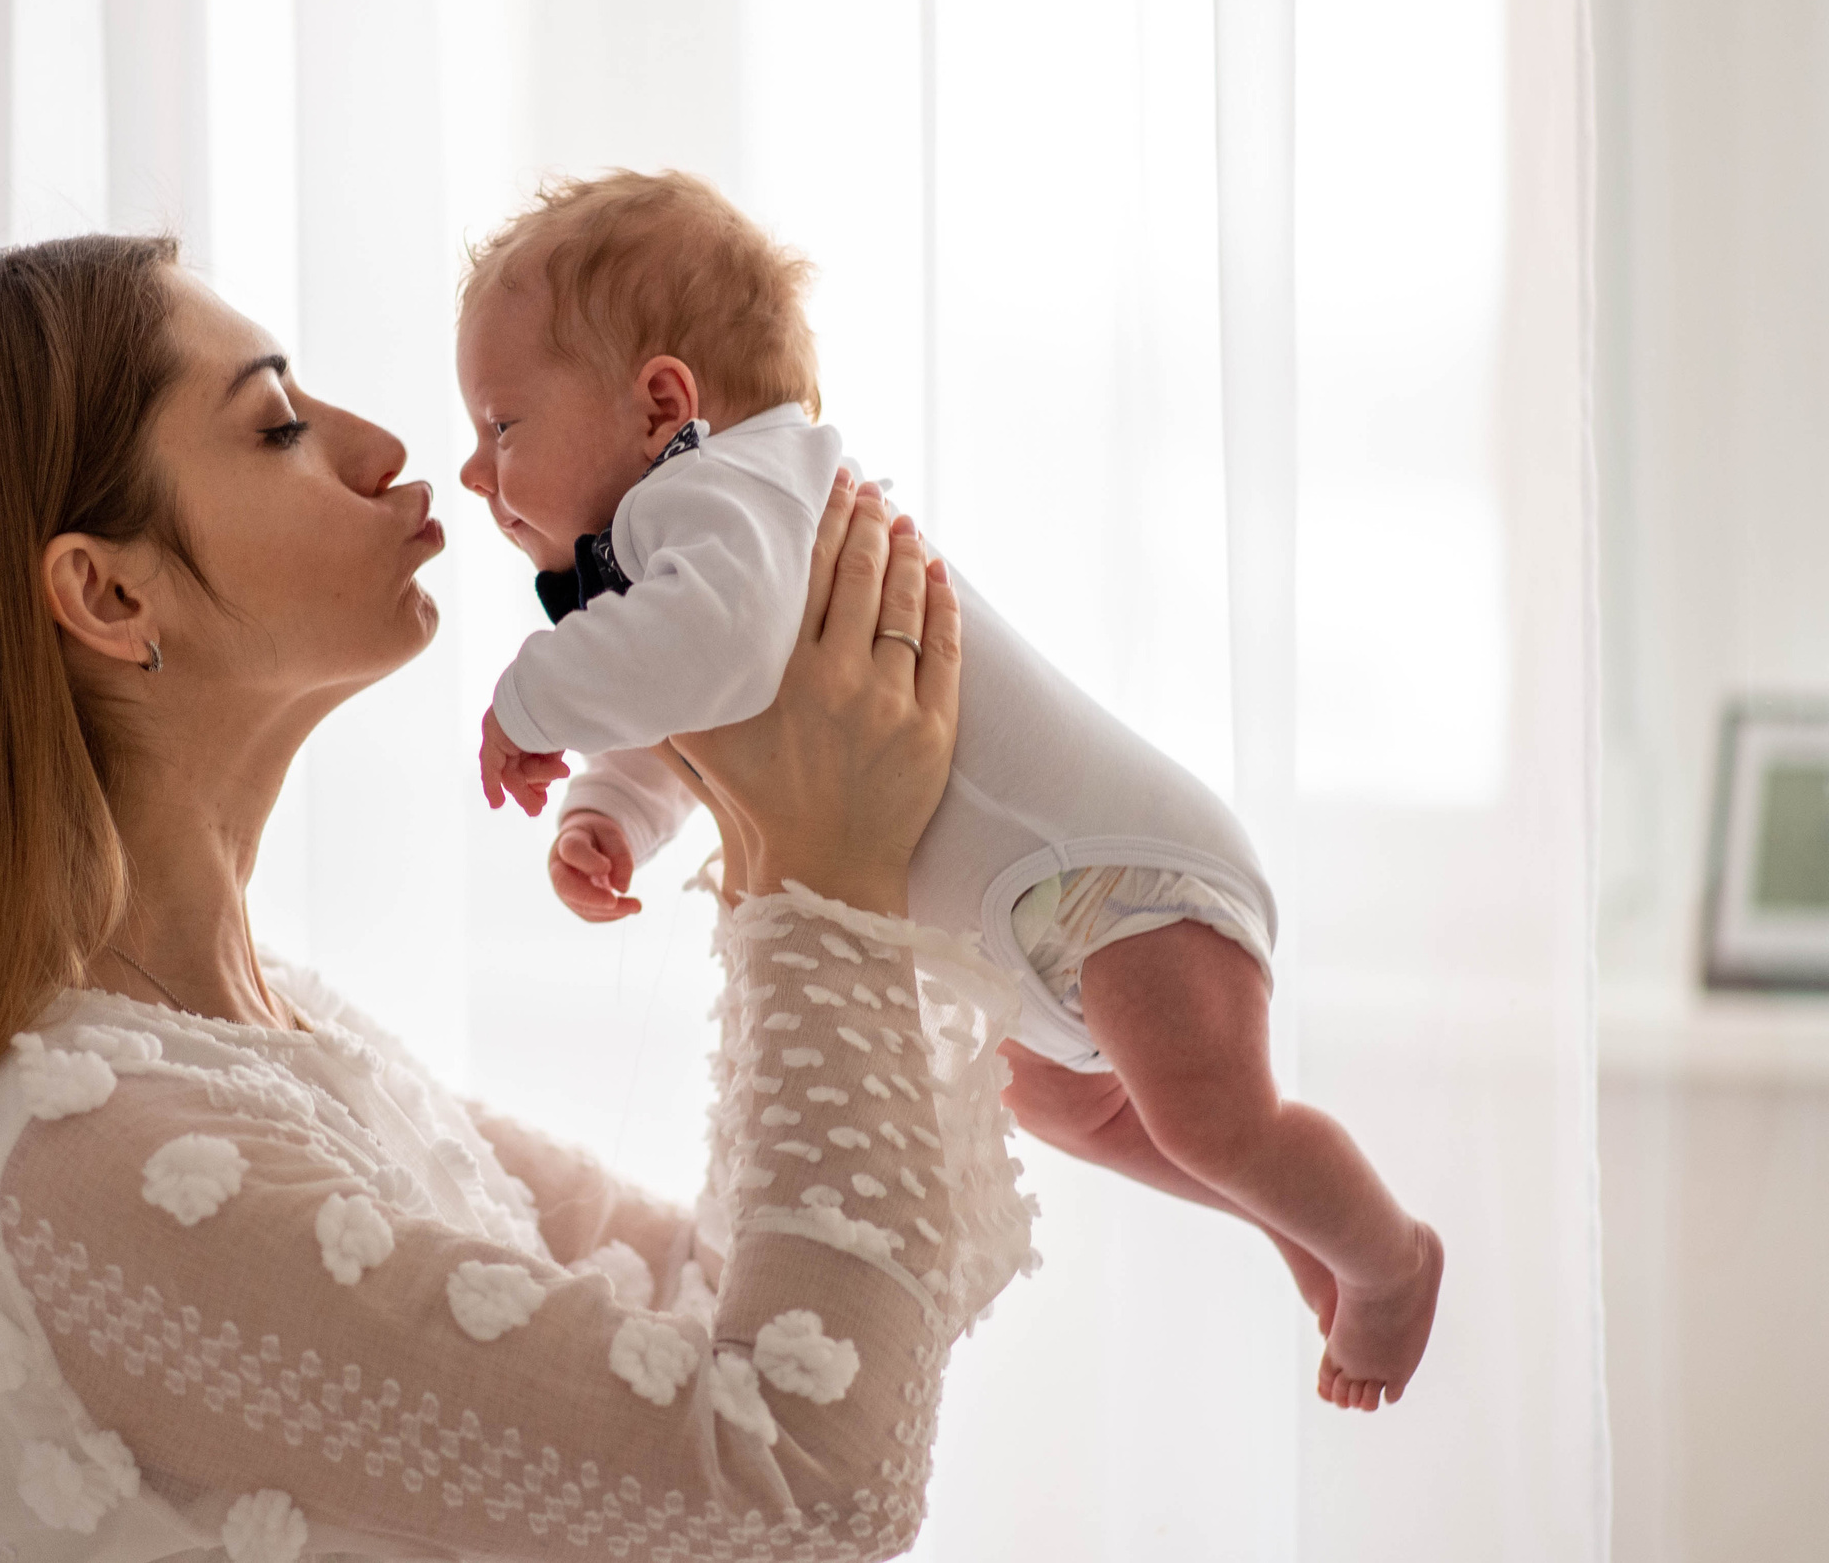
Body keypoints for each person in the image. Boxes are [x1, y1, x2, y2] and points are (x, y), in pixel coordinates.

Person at [0, 233, 1035, 1563]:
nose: (387, 451)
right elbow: (799, 1478)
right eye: (278, 426)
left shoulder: (264, 1034)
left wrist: (787, 825)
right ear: (108, 590)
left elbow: (713, 1306)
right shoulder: (92, 1162)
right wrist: (825, 883)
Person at [459, 170, 1443, 1412]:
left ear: (664, 403)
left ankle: (1389, 1258)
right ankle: (1295, 1215)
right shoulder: (716, 555)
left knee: (1214, 1120)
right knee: (1086, 1113)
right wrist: (611, 814)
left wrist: (529, 700)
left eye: (501, 426)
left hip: (1120, 878)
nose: (473, 470)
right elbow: (693, 706)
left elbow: (711, 651)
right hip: (1043, 920)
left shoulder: (718, 489)